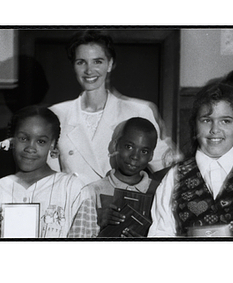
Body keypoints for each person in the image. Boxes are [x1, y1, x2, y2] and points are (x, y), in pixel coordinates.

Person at [148, 83, 233, 237]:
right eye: (206, 120)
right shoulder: (175, 177)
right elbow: (161, 234)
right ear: (195, 126)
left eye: (225, 121)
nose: (215, 129)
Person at [47, 30, 179, 185]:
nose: (89, 70)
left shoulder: (138, 112)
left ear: (110, 64)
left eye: (98, 61)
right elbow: (51, 177)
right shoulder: (56, 114)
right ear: (73, 66)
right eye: (81, 62)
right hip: (72, 205)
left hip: (118, 205)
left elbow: (165, 167)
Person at [0, 106, 91, 238]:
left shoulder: (73, 189)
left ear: (52, 144)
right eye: (23, 138)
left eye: (41, 141)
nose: (30, 148)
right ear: (12, 140)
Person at [68, 117, 162, 238]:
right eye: (129, 146)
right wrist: (96, 220)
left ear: (151, 156)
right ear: (116, 145)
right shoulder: (92, 191)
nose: (135, 156)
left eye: (144, 151)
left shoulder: (160, 192)